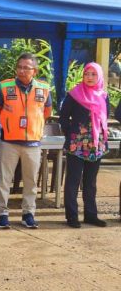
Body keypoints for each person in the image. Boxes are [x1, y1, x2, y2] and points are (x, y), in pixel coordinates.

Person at [0, 52, 52, 229]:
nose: (22, 71)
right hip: (9, 141)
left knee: (31, 181)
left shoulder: (43, 88)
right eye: (19, 67)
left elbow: (47, 112)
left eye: (26, 68)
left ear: (35, 70)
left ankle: (28, 213)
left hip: (32, 143)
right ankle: (2, 213)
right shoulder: (5, 86)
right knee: (4, 180)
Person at [59, 62, 108, 228]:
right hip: (77, 144)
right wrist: (72, 136)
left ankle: (90, 215)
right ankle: (72, 216)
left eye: (94, 74)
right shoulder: (74, 94)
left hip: (96, 144)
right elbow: (63, 117)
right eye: (87, 73)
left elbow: (104, 118)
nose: (90, 77)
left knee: (90, 182)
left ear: (99, 76)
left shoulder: (103, 95)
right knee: (73, 180)